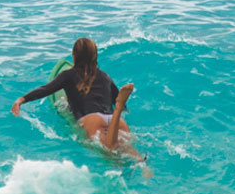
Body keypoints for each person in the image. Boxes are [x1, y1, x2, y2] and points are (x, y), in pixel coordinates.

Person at [10, 37, 140, 158]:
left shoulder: (68, 75)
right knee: (129, 151)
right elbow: (122, 106)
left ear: (74, 56)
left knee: (109, 152)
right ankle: (144, 168)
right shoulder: (105, 76)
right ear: (95, 57)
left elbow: (46, 89)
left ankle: (116, 112)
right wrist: (120, 108)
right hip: (114, 120)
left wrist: (22, 100)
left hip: (91, 119)